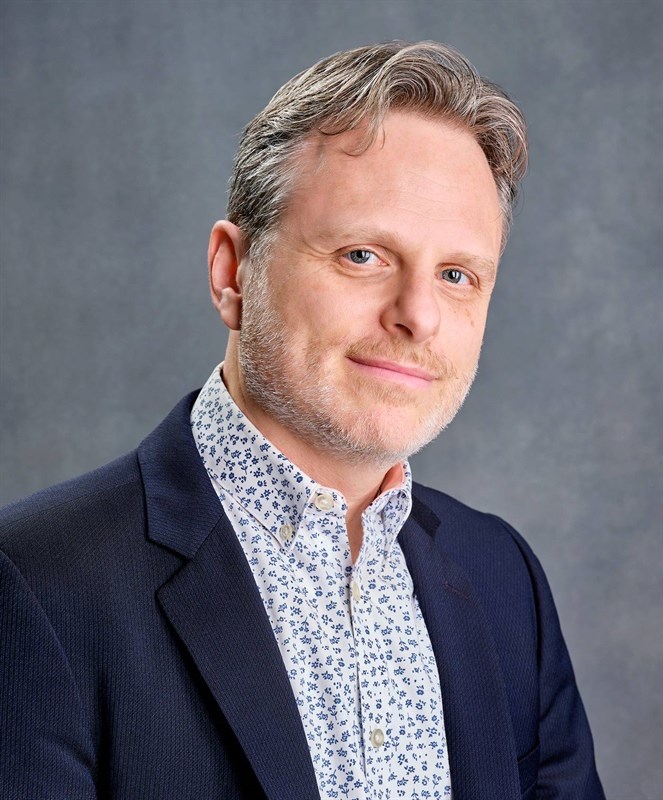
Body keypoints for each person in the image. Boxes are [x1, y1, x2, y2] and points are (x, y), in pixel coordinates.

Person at [0, 41, 604, 800]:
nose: (417, 315)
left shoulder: (502, 576)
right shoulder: (34, 583)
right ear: (232, 274)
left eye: (456, 275)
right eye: (361, 255)